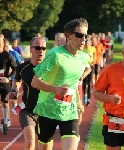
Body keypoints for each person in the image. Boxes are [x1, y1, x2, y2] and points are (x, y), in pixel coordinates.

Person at [31, 18, 89, 150]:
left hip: (70, 111)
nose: (83, 39)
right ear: (68, 36)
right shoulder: (55, 55)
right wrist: (55, 89)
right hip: (48, 110)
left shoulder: (83, 57)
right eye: (79, 35)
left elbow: (74, 84)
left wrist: (79, 103)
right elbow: (35, 82)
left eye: (85, 36)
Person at [6, 37, 46, 149]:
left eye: (43, 48)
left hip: (45, 111)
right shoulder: (23, 68)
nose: (41, 51)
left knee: (41, 145)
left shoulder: (50, 68)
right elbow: (17, 80)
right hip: (27, 110)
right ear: (31, 49)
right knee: (30, 142)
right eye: (38, 48)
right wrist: (14, 91)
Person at [0, 37, 17, 134]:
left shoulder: (7, 55)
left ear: (2, 44)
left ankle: (5, 121)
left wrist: (8, 77)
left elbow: (15, 68)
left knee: (5, 102)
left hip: (4, 82)